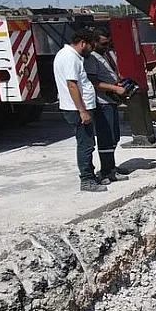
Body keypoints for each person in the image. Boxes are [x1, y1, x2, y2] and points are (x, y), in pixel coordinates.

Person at [53, 27, 106, 192]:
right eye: (91, 46)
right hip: (77, 110)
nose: (92, 50)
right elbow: (72, 84)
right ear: (83, 43)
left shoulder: (68, 55)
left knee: (87, 143)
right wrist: (82, 111)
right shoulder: (71, 58)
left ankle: (90, 175)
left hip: (79, 107)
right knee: (86, 145)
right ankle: (87, 180)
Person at [84, 27, 131, 182]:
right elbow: (93, 81)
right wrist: (114, 88)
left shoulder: (105, 55)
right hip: (102, 102)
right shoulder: (92, 58)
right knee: (106, 137)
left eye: (108, 43)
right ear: (95, 42)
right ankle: (106, 170)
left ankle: (111, 166)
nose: (106, 47)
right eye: (103, 44)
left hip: (110, 101)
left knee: (114, 136)